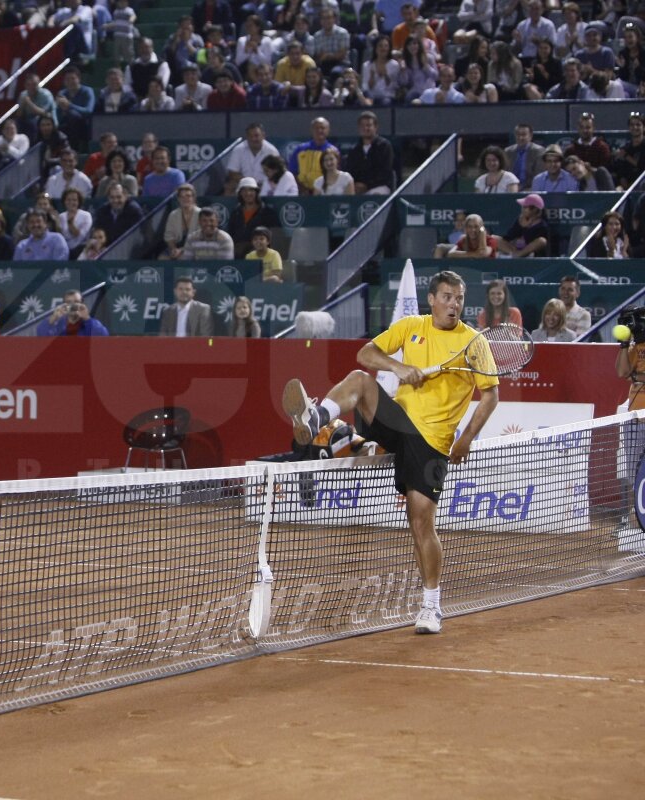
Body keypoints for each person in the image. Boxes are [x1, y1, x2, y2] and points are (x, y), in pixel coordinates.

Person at [281, 270, 499, 635]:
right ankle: (316, 418)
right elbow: (366, 352)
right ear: (432, 299)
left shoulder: (473, 342)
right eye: (447, 296)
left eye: (459, 298)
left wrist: (468, 438)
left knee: (420, 522)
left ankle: (431, 606)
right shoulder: (411, 325)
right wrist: (399, 367)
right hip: (399, 420)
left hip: (432, 439)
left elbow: (490, 396)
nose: (454, 304)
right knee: (358, 379)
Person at [227, 177, 281, 258]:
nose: (248, 193)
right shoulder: (235, 212)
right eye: (244, 190)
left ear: (256, 192)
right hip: (237, 254)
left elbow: (275, 235)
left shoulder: (268, 212)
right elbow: (230, 234)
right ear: (240, 193)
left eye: (251, 190)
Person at [344, 111, 395, 196]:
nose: (365, 128)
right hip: (357, 189)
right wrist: (356, 184)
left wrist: (367, 185)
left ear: (375, 127)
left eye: (368, 125)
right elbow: (350, 172)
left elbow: (385, 171)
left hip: (379, 187)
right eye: (362, 126)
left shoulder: (384, 146)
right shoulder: (354, 150)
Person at [223, 122, 279, 194]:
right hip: (243, 184)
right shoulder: (238, 149)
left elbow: (277, 173)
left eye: (256, 136)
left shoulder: (272, 151)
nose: (253, 139)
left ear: (263, 136)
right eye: (250, 136)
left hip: (265, 185)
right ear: (247, 137)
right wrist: (249, 184)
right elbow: (232, 172)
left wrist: (263, 185)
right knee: (229, 186)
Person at [288, 117, 338, 195]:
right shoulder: (300, 150)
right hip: (302, 193)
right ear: (312, 130)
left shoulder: (333, 151)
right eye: (316, 128)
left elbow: (336, 175)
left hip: (325, 193)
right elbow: (292, 173)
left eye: (323, 128)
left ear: (328, 130)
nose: (319, 131)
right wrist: (303, 189)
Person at [497, 193, 550, 257]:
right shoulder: (520, 220)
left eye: (525, 207)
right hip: (515, 249)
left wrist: (525, 227)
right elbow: (508, 237)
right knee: (494, 238)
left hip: (532, 253)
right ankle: (514, 255)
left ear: (535, 209)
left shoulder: (542, 225)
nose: (522, 209)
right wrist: (520, 226)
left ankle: (519, 255)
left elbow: (532, 242)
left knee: (542, 241)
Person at [36, 290, 109, 336]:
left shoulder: (90, 324)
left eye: (76, 302)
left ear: (82, 304)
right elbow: (41, 334)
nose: (73, 305)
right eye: (68, 302)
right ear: (63, 305)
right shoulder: (58, 325)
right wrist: (53, 318)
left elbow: (103, 335)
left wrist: (87, 319)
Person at [504, 123, 546, 188]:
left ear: (530, 136)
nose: (520, 138)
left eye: (524, 135)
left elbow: (539, 176)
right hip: (510, 188)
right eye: (518, 135)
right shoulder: (508, 151)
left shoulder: (538, 151)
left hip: (531, 189)